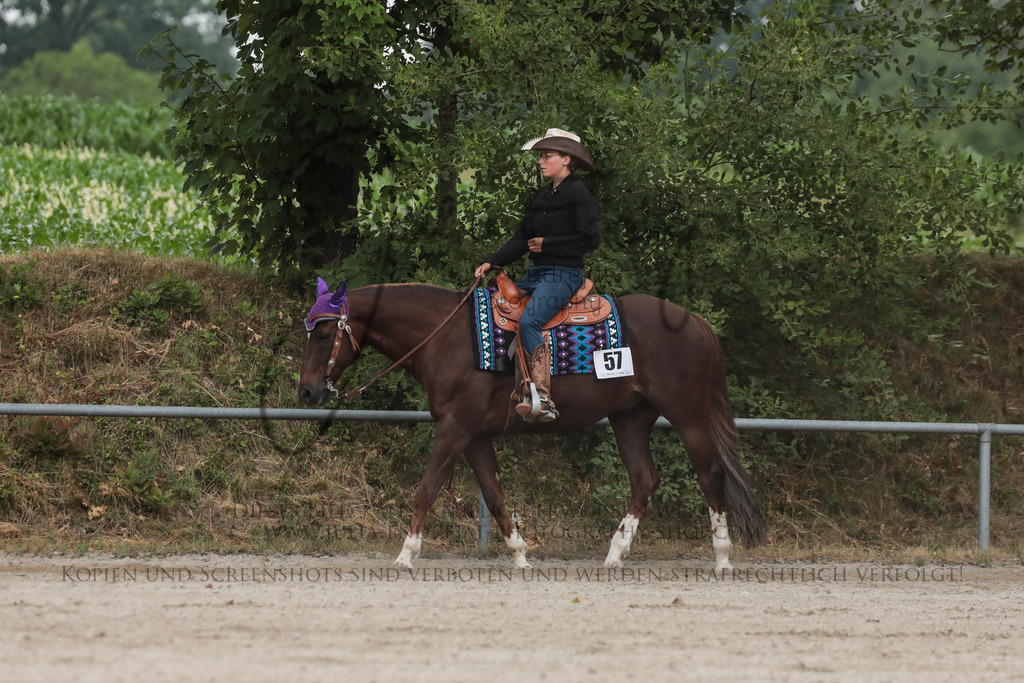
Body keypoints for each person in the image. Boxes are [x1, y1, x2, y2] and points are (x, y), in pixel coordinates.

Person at [474, 128, 600, 421]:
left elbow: (591, 239)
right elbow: (522, 238)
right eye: (541, 156)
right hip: (538, 273)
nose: (541, 162)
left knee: (530, 320)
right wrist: (491, 262)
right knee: (498, 307)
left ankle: (543, 397)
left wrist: (548, 244)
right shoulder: (542, 196)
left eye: (547, 156)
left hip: (564, 275)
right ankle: (506, 385)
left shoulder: (579, 194)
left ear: (566, 160)